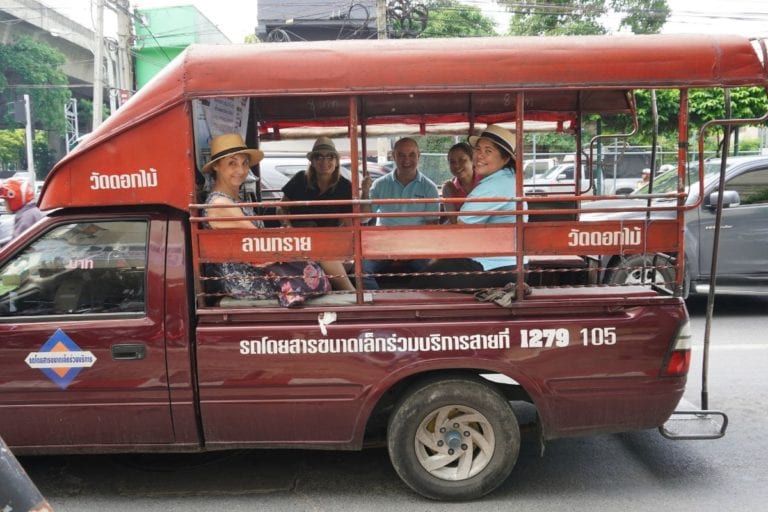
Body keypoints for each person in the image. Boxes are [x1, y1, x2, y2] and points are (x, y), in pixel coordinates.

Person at [202, 133, 331, 307]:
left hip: (256, 269)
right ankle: (353, 295)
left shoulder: (235, 199)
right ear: (216, 166)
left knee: (319, 252)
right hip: (245, 280)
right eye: (232, 163)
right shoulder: (220, 204)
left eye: (244, 163)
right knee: (318, 256)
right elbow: (262, 244)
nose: (240, 170)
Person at [411, 124, 524, 290]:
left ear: (505, 158)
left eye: (488, 151)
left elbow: (461, 228)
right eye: (478, 150)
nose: (479, 156)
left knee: (422, 281)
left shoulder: (493, 186)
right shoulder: (508, 178)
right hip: (507, 261)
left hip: (495, 267)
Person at [278, 137, 361, 291]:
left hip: (329, 241)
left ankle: (350, 293)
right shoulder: (299, 179)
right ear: (313, 161)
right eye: (319, 157)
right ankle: (351, 293)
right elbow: (281, 208)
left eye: (330, 156)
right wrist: (288, 227)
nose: (325, 161)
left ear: (336, 161)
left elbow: (348, 223)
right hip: (299, 240)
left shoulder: (345, 186)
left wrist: (349, 250)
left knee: (331, 255)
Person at [362, 137, 440, 289]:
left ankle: (415, 305)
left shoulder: (429, 188)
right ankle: (378, 307)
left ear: (419, 156)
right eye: (401, 155)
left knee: (435, 273)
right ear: (393, 156)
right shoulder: (380, 184)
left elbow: (431, 228)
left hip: (417, 247)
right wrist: (365, 192)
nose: (406, 160)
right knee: (361, 270)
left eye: (411, 155)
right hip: (384, 245)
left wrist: (410, 249)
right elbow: (365, 218)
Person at [441, 142, 479, 223]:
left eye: (462, 160)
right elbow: (454, 222)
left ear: (473, 161)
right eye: (452, 162)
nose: (457, 165)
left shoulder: (485, 182)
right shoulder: (448, 188)